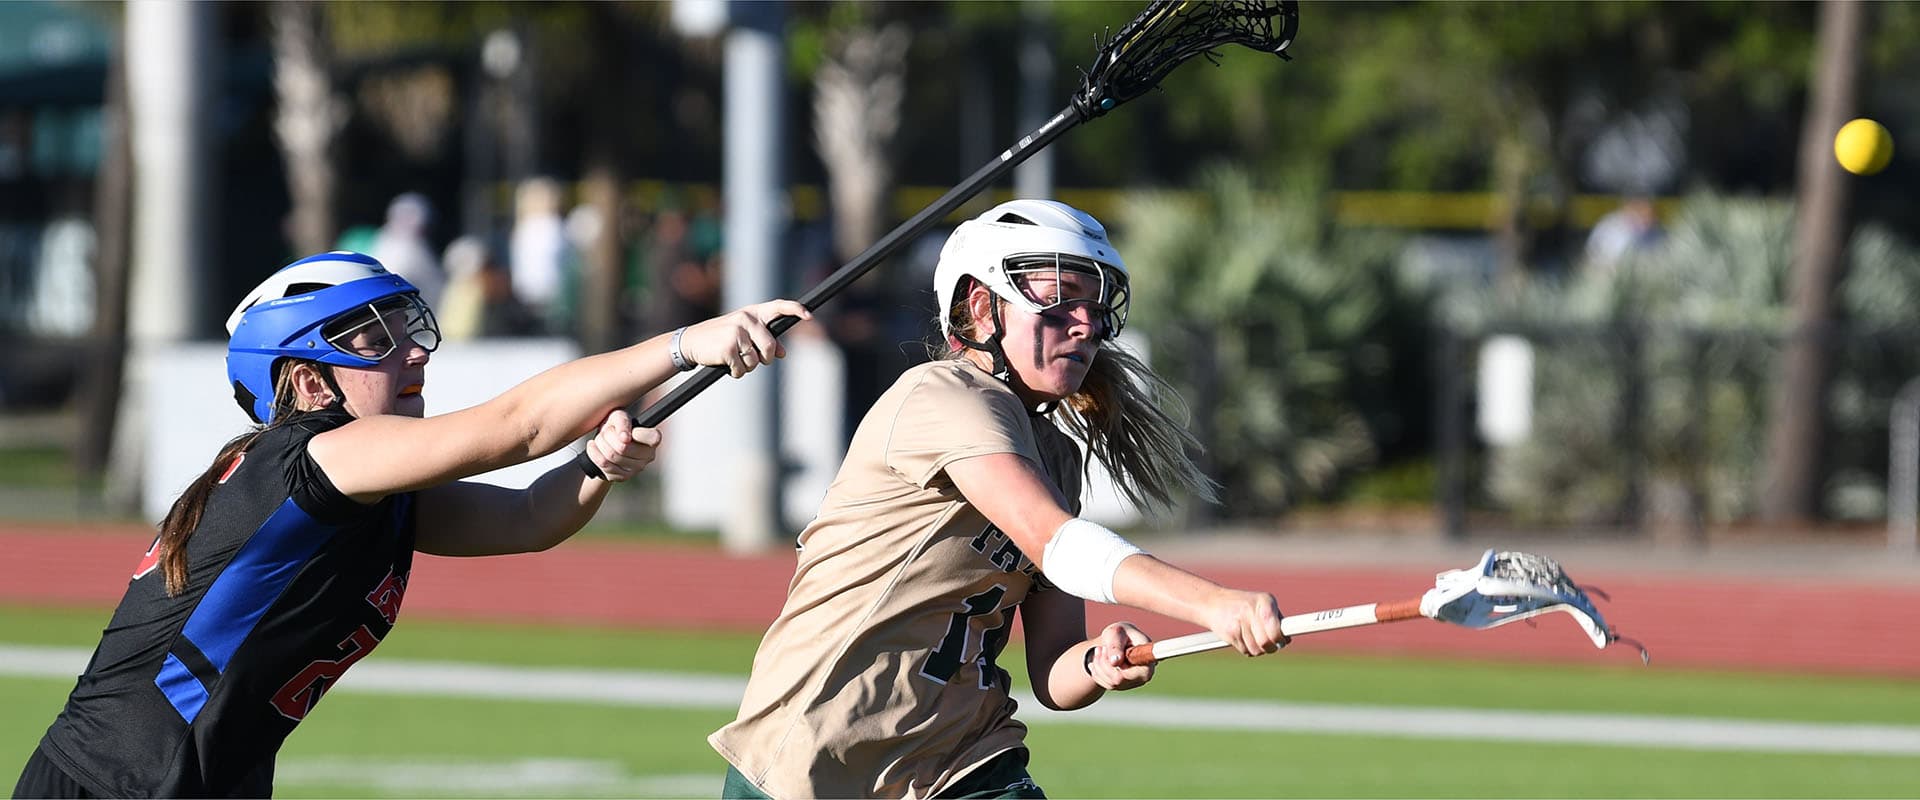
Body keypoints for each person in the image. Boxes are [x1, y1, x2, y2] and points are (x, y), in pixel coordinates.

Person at [14, 251, 808, 799]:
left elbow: (530, 515)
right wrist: (683, 344)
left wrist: (596, 467)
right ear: (304, 378)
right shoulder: (314, 458)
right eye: (370, 337)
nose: (412, 355)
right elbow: (520, 425)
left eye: (405, 328)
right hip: (111, 781)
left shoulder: (368, 491)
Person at [709, 199, 1288, 799]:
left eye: (1093, 307)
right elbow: (1058, 543)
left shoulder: (1056, 455)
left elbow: (1054, 670)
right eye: (1060, 301)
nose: (1085, 326)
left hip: (963, 760)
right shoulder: (944, 395)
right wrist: (1213, 603)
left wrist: (1098, 662)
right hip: (815, 755)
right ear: (984, 307)